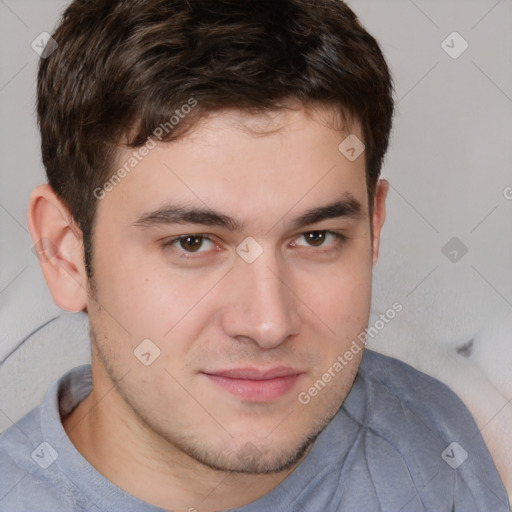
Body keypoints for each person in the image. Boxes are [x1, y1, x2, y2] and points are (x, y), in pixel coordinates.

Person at [0, 0, 509, 510]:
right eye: (192, 242)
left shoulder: (434, 441)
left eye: (316, 237)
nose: (269, 324)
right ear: (65, 254)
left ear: (374, 230)